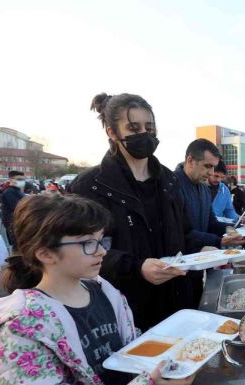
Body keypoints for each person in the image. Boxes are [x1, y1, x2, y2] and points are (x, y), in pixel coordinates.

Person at [0, 194, 194, 385]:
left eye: (101, 240)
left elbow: (128, 352)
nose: (102, 251)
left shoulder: (105, 293)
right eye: (87, 243)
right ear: (45, 253)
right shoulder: (21, 330)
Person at [70, 92, 201, 330]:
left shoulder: (169, 180)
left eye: (149, 127)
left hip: (176, 301)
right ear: (112, 132)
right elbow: (80, 250)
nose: (144, 134)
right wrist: (137, 267)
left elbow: (185, 234)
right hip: (123, 307)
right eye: (133, 127)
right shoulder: (89, 185)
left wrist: (206, 250)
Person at [174, 139, 245, 250]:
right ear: (190, 161)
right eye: (207, 166)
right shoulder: (171, 186)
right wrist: (218, 241)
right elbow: (179, 233)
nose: (211, 172)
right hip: (178, 262)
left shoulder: (204, 189)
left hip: (202, 260)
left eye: (213, 167)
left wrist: (237, 229)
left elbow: (211, 223)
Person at [1, 170, 26, 245]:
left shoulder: (17, 190)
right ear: (11, 180)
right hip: (12, 222)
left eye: (23, 179)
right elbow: (17, 207)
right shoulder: (9, 192)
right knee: (17, 245)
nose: (22, 181)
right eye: (19, 179)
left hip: (18, 220)